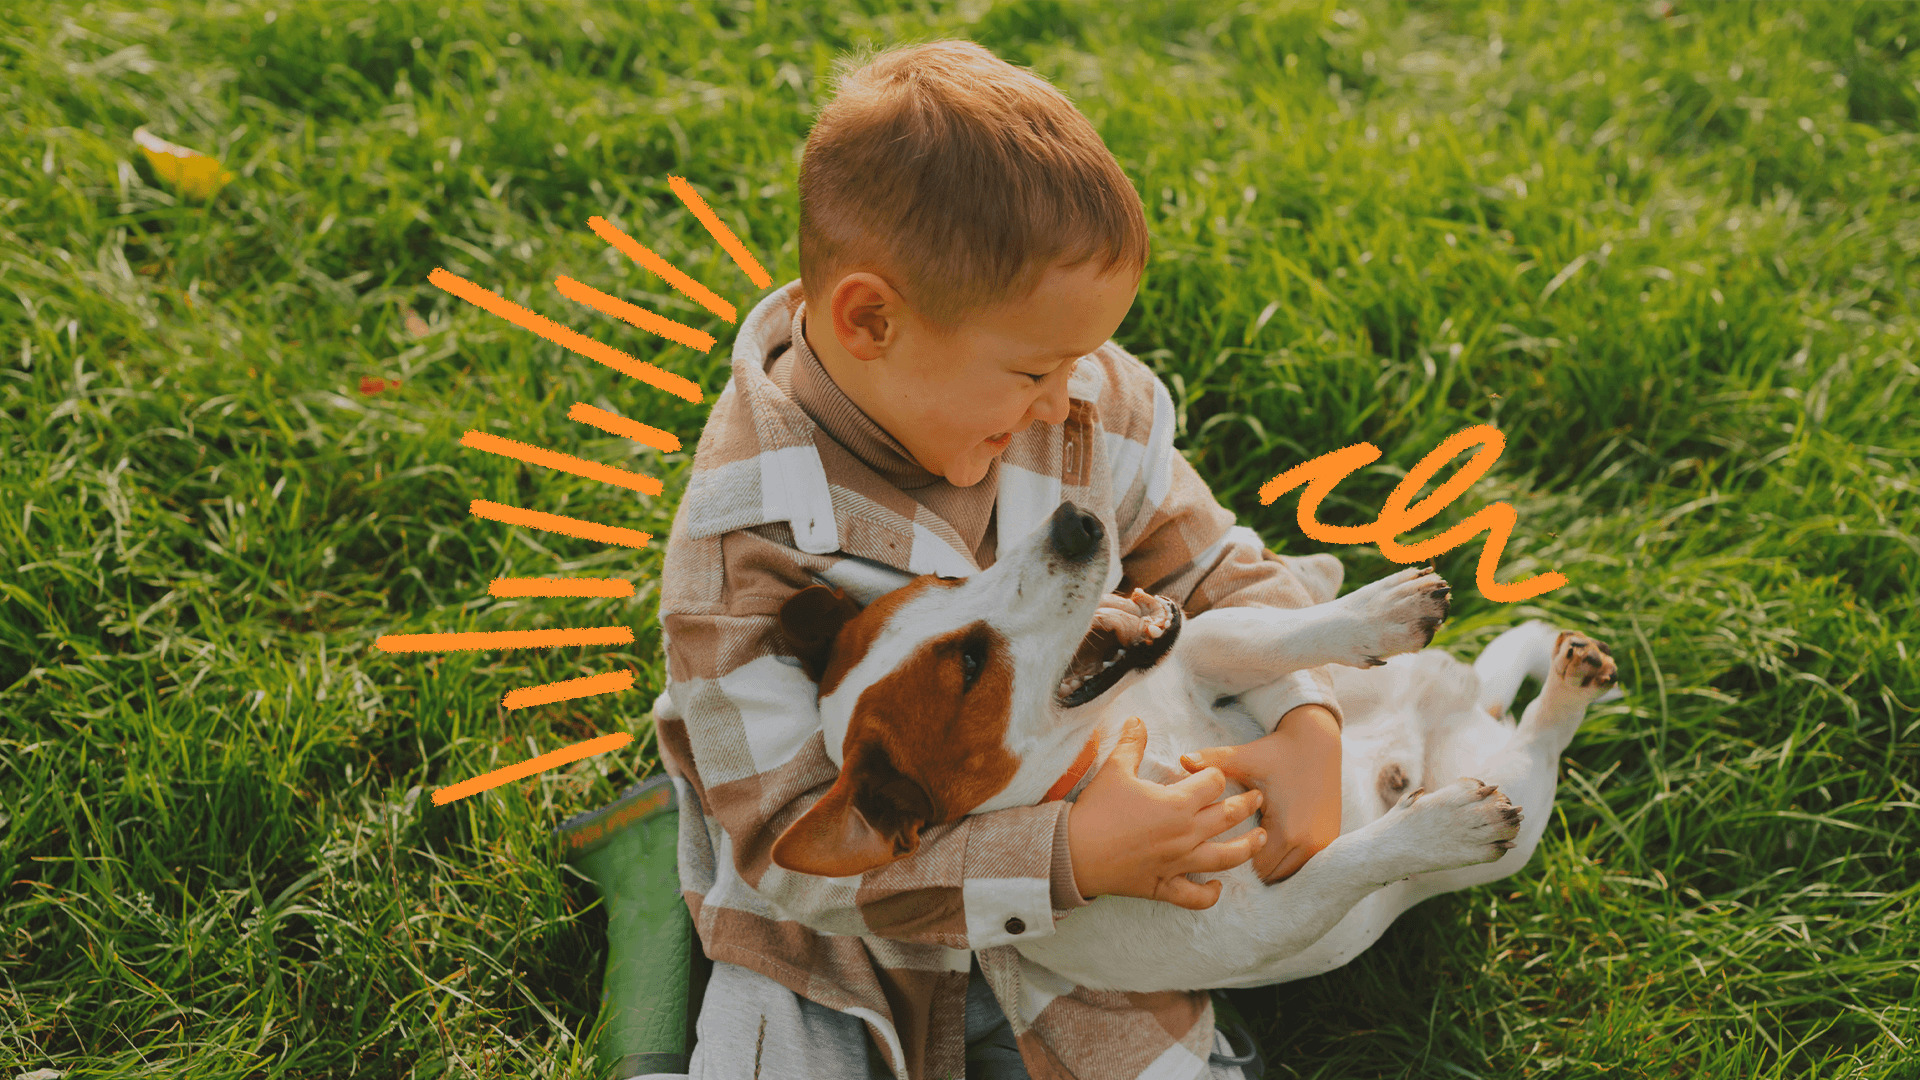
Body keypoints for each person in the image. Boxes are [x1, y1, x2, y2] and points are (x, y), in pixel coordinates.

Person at [646, 37, 1345, 1080]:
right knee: (781, 1050)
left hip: (1107, 887)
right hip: (851, 937)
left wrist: (1307, 713)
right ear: (870, 318)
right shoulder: (744, 547)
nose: (1070, 395)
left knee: (1132, 1048)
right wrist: (1064, 856)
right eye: (1034, 367)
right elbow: (792, 848)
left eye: (1083, 359)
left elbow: (1210, 562)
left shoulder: (1077, 404)